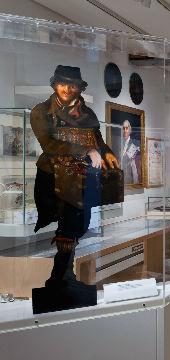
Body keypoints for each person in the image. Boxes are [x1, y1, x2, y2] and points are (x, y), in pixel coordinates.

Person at [30, 65, 122, 312]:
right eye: (62, 83)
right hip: (55, 176)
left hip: (84, 177)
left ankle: (65, 275)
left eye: (72, 85)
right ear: (54, 84)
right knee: (67, 225)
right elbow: (48, 143)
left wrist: (107, 152)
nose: (67, 89)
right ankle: (58, 278)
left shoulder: (88, 113)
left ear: (80, 87)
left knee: (79, 225)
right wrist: (85, 151)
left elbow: (97, 140)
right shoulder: (41, 111)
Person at [121, 119, 141, 184]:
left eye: (126, 128)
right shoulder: (119, 144)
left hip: (132, 178)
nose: (125, 130)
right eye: (123, 128)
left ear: (130, 130)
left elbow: (130, 159)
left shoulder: (136, 143)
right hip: (121, 177)